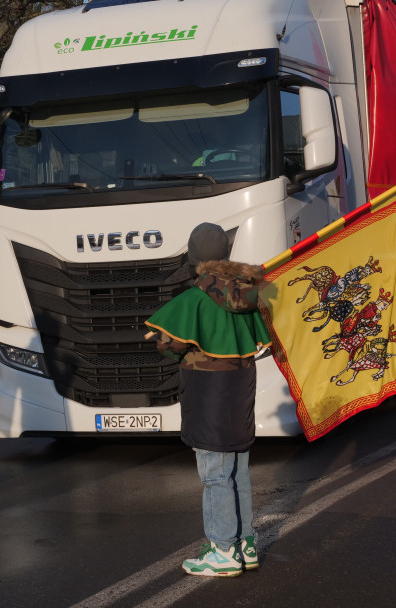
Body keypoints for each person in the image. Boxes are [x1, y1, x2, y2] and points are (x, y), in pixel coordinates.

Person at [145, 222, 270, 577]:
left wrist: (160, 337)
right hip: (240, 387)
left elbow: (171, 345)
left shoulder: (194, 298)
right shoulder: (248, 295)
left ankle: (222, 550)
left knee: (215, 472)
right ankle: (246, 544)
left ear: (194, 257)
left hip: (207, 391)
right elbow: (260, 344)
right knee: (238, 470)